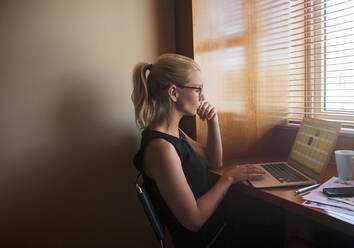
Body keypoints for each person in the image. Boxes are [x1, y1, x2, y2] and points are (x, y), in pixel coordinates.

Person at [132, 53, 284, 247]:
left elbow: (214, 161)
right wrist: (227, 178)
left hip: (219, 224)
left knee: (276, 217)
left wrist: (213, 121)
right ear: (173, 93)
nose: (202, 97)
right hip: (210, 238)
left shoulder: (175, 134)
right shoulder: (162, 149)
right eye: (197, 89)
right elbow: (193, 220)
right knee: (279, 220)